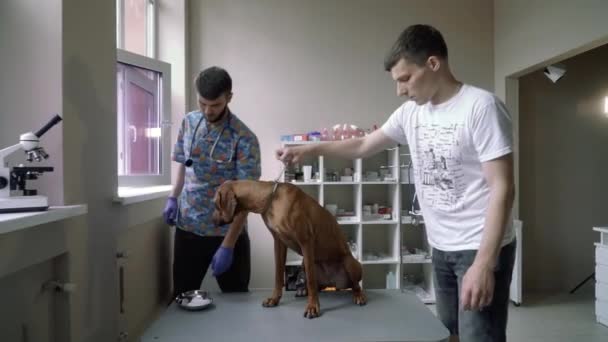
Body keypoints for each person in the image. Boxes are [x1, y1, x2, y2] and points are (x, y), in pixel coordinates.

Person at [276, 24, 515, 342]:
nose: (400, 90)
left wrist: (485, 263)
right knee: (448, 332)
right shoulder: (410, 114)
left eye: (405, 79)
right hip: (441, 245)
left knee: (480, 336)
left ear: (433, 64)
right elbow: (362, 146)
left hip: (478, 246)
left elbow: (503, 187)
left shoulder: (481, 107)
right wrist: (308, 149)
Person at [163, 66, 261, 297]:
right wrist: (172, 197)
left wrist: (228, 245)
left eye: (215, 105)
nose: (208, 110)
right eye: (202, 103)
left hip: (227, 234)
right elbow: (183, 164)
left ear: (229, 98)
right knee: (182, 299)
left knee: (236, 303)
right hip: (188, 228)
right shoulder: (189, 122)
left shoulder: (244, 138)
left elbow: (246, 199)